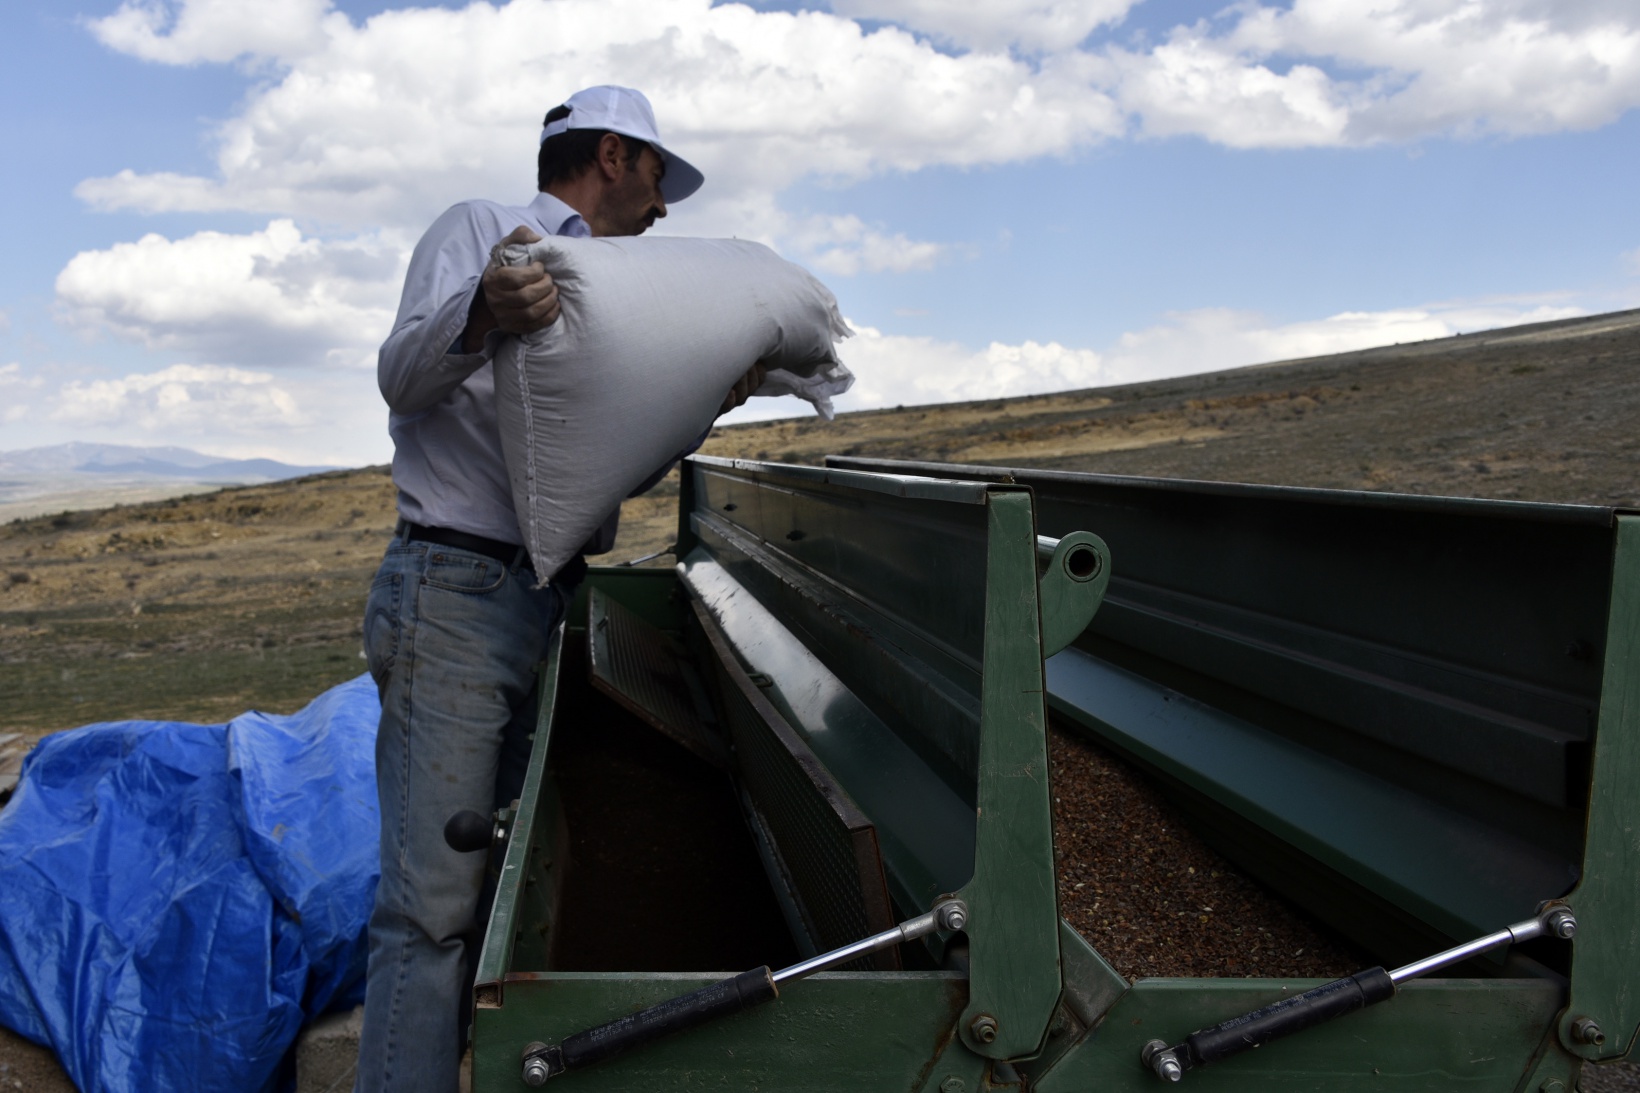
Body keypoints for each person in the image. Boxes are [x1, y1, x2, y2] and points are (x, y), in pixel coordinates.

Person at [356, 85, 761, 1092]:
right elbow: (401, 377)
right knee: (430, 906)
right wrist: (483, 310)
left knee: (501, 885)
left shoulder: (625, 288)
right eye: (661, 176)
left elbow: (598, 462)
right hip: (453, 592)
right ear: (616, 157)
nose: (667, 205)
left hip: (542, 598)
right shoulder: (485, 231)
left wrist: (702, 396)